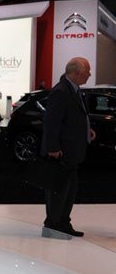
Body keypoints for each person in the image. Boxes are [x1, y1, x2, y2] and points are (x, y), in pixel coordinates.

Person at [40, 57, 96, 239]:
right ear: (77, 73)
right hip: (62, 152)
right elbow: (51, 122)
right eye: (87, 72)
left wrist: (86, 130)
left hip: (71, 151)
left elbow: (70, 118)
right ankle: (53, 226)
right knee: (59, 190)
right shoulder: (61, 91)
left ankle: (63, 223)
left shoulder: (72, 89)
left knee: (69, 190)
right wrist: (53, 147)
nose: (89, 75)